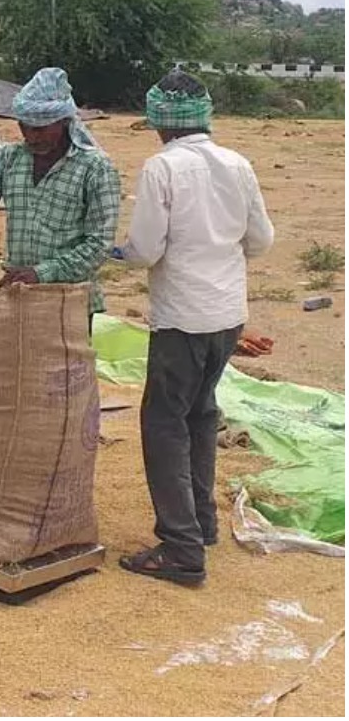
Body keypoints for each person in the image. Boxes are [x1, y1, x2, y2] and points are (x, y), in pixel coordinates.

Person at [116, 70, 274, 586]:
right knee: (201, 413)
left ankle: (181, 548)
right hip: (227, 314)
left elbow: (145, 251)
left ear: (160, 121)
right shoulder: (237, 163)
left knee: (163, 423)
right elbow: (261, 240)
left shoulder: (162, 168)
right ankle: (202, 522)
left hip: (182, 316)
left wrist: (111, 252)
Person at [0, 67, 121, 332]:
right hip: (17, 296)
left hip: (69, 303)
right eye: (25, 127)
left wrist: (42, 273)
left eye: (41, 129)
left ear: (65, 122)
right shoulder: (7, 160)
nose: (32, 137)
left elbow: (99, 244)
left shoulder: (95, 168)